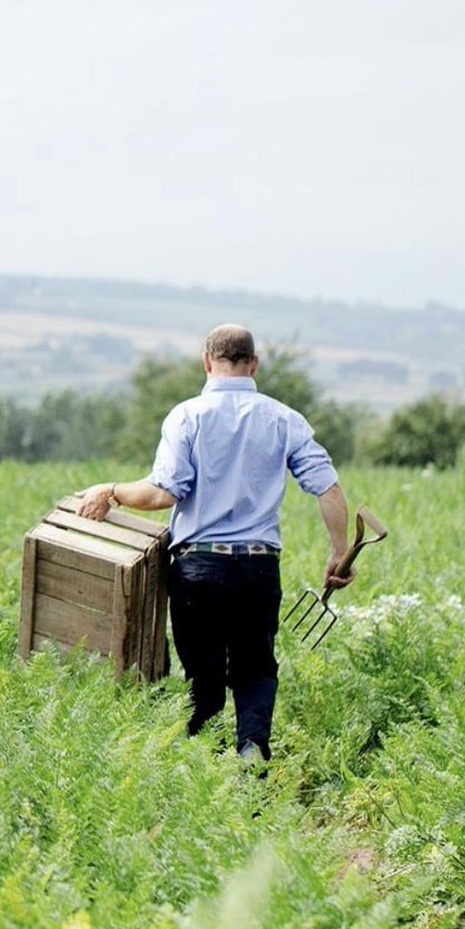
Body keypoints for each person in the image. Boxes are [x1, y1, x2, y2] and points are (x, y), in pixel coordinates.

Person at [76, 324, 352, 762]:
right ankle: (252, 749)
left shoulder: (187, 416)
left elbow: (164, 492)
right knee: (256, 667)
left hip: (199, 570)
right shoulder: (284, 419)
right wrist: (339, 554)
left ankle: (202, 771)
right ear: (254, 364)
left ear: (207, 361)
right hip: (259, 568)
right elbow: (329, 490)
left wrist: (110, 490)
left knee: (202, 675)